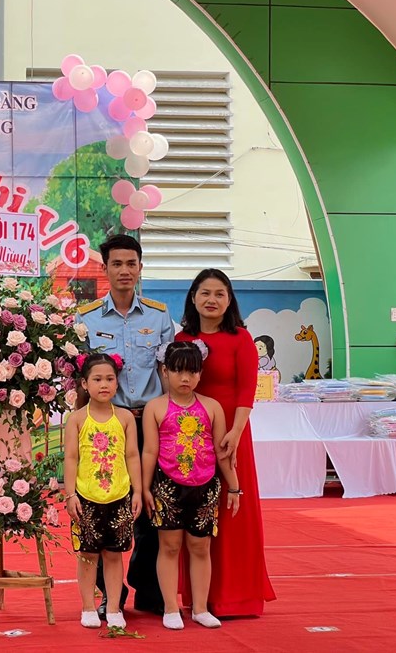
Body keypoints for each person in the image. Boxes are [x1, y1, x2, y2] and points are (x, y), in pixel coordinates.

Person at [76, 233, 173, 616]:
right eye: (116, 263)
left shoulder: (158, 315)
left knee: (151, 507)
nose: (124, 270)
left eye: (131, 263)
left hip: (150, 424)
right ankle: (108, 597)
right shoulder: (85, 318)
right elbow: (80, 380)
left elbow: (167, 373)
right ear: (105, 269)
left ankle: (147, 588)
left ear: (140, 267)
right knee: (104, 509)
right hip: (107, 429)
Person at [175, 268, 276, 616]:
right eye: (205, 293)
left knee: (233, 514)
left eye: (220, 293)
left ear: (229, 300)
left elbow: (247, 390)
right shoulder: (183, 338)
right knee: (195, 513)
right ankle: (200, 597)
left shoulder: (241, 338)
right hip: (193, 436)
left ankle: (236, 596)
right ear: (193, 298)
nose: (212, 300)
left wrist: (235, 432)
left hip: (232, 434)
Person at [142, 341, 241, 630]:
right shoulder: (155, 407)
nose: (185, 378)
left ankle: (200, 608)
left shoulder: (212, 407)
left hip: (206, 485)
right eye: (178, 371)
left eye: (192, 372)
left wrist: (234, 487)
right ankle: (170, 608)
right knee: (169, 546)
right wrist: (144, 489)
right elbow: (149, 451)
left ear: (201, 373)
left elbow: (222, 452)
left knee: (200, 547)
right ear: (165, 371)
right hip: (167, 486)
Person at [64, 353, 142, 630]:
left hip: (119, 496)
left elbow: (132, 455)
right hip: (86, 497)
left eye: (109, 379)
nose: (104, 384)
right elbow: (71, 458)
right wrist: (70, 494)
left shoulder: (125, 417)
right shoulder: (76, 419)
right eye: (97, 379)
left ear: (117, 383)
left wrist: (137, 491)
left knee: (113, 555)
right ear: (85, 384)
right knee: (88, 556)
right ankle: (88, 606)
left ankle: (113, 607)